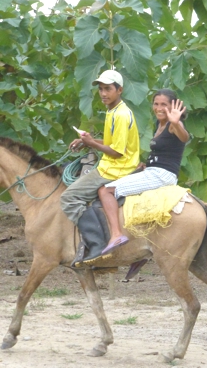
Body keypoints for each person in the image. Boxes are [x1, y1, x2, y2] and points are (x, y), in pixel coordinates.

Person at [60, 69, 140, 265]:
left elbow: (117, 151)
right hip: (112, 164)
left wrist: (90, 144)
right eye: (101, 89)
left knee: (69, 197)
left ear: (119, 90)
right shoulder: (113, 110)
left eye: (108, 89)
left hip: (116, 168)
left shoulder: (121, 115)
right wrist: (88, 140)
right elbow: (111, 142)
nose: (103, 93)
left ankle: (96, 244)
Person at [98, 89, 189, 255]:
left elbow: (184, 137)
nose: (159, 108)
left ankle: (116, 235)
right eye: (156, 104)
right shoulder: (159, 124)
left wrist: (176, 122)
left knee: (106, 191)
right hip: (153, 170)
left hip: (162, 175)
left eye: (164, 104)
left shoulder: (172, 125)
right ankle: (138, 246)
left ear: (173, 106)